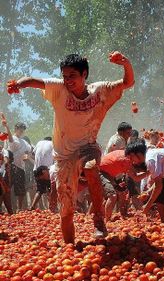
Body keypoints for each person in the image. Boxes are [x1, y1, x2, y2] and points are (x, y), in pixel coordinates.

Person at [8, 52, 134, 243]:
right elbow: (35, 81)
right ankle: (70, 248)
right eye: (64, 76)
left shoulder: (100, 91)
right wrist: (18, 84)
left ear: (84, 74)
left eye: (72, 76)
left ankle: (99, 221)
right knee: (66, 211)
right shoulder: (59, 89)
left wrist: (126, 63)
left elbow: (127, 82)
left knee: (91, 167)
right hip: (64, 157)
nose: (67, 81)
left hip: (88, 147)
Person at [99, 149, 142, 221]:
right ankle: (107, 221)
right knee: (112, 196)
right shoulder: (126, 160)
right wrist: (149, 173)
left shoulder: (125, 154)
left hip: (110, 175)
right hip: (101, 172)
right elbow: (136, 178)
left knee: (120, 194)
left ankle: (104, 216)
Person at [1, 114, 32, 211]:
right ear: (15, 128)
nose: (21, 130)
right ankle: (4, 209)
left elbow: (29, 151)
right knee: (6, 188)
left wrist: (27, 157)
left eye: (23, 128)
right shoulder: (12, 138)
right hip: (11, 166)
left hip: (21, 167)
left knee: (20, 190)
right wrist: (7, 127)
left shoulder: (24, 141)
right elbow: (10, 139)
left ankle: (19, 209)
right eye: (19, 128)